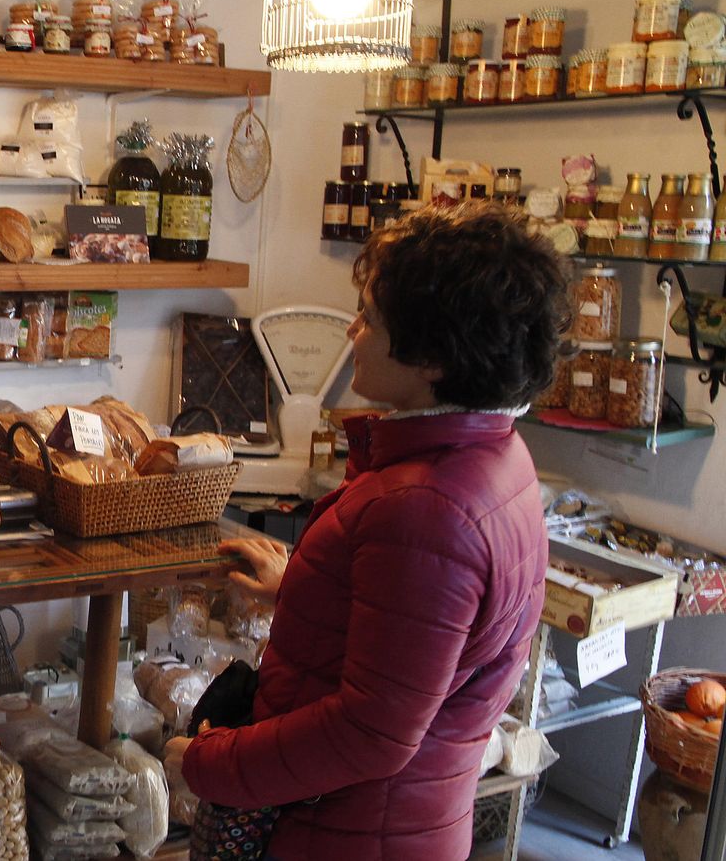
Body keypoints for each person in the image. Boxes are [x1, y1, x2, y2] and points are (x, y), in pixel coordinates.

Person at [168, 201, 570, 860]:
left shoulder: (427, 508)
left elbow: (371, 732)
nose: (352, 331)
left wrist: (211, 763)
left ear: (433, 357)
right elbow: (420, 637)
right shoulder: (495, 456)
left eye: (371, 319)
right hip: (400, 821)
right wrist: (300, 586)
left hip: (351, 834)